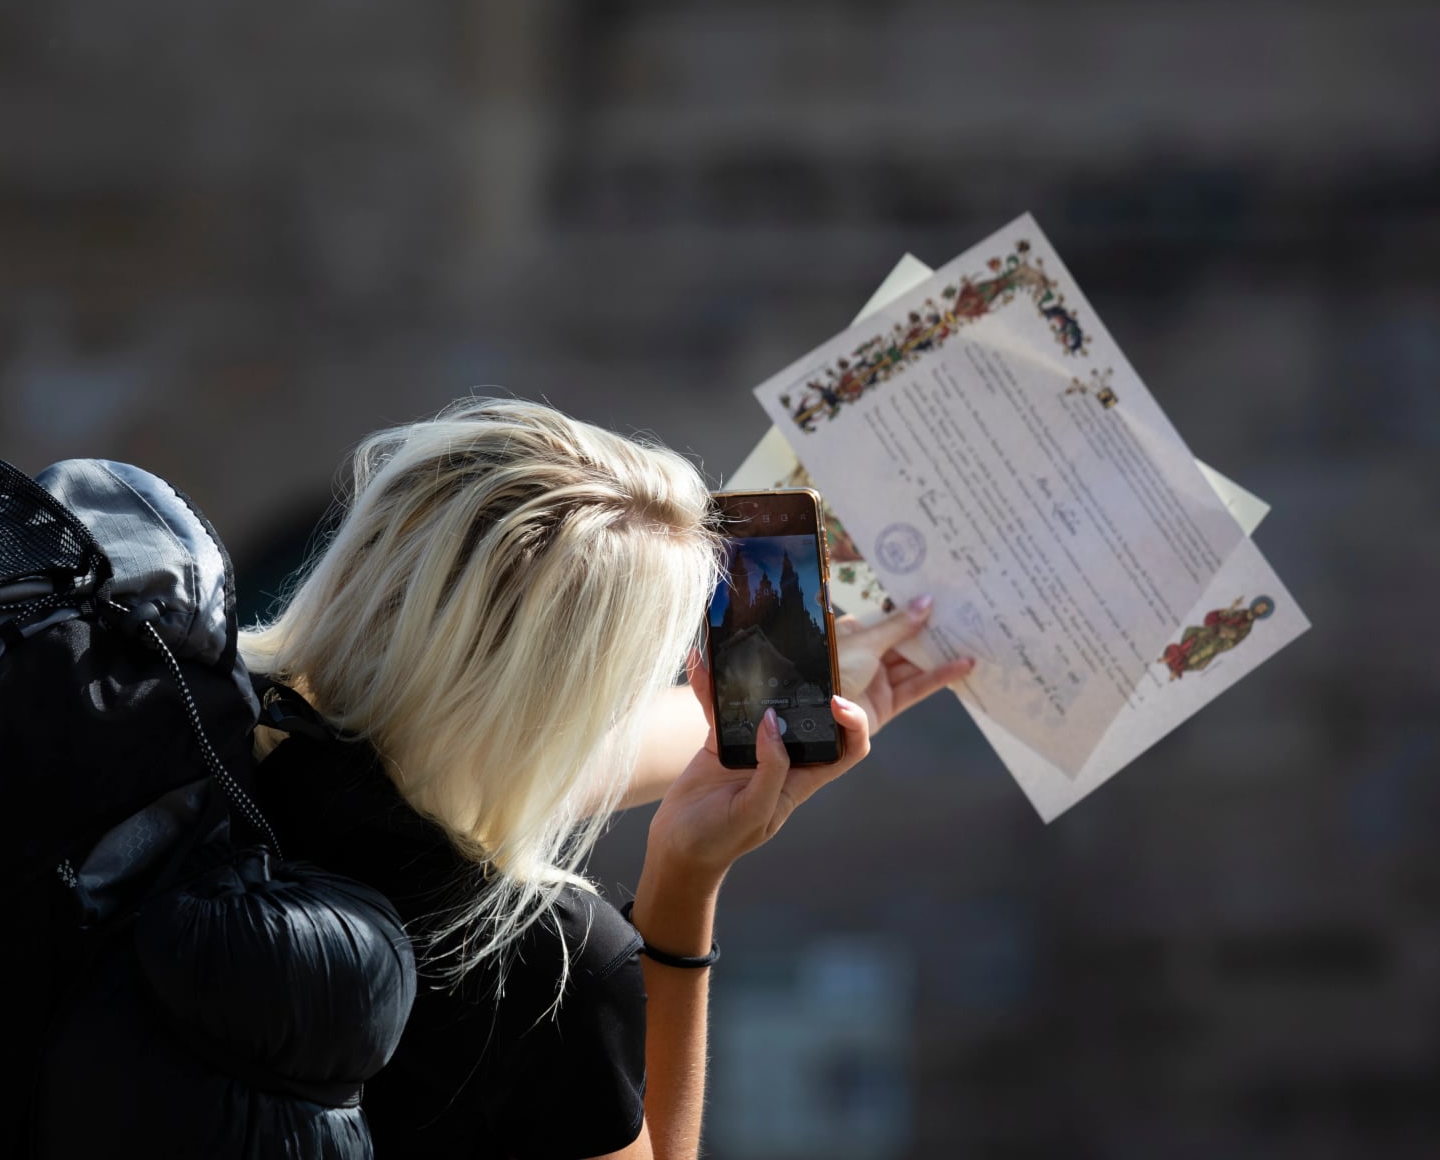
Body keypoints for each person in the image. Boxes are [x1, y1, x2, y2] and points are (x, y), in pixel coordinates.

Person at [240, 398, 974, 1159]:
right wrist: (685, 877)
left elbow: (520, 744)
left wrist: (772, 704)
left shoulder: (195, 729)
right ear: (578, 700)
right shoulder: (539, 971)